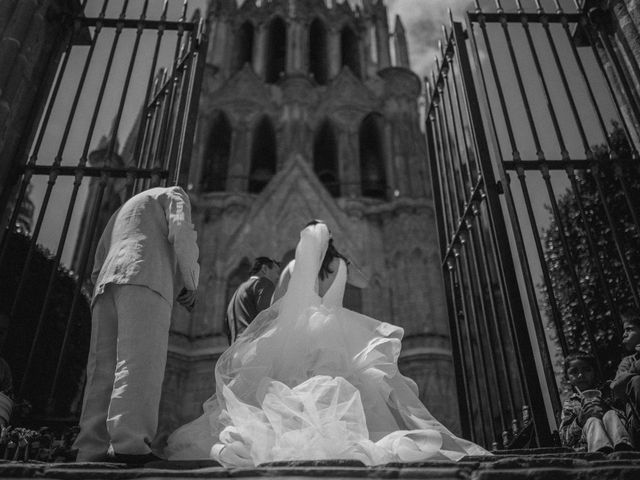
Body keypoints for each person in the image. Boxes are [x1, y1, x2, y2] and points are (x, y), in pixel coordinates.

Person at [165, 220, 488, 465]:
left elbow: (279, 303)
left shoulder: (293, 267)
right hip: (336, 328)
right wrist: (342, 258)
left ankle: (296, 439)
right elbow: (363, 279)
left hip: (305, 327)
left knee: (294, 386)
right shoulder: (342, 266)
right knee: (338, 382)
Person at [73, 186, 200, 464]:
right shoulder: (174, 194)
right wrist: (191, 283)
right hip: (146, 278)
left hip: (107, 284)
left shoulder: (125, 208)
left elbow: (99, 254)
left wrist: (100, 285)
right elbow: (181, 233)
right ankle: (130, 445)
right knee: (140, 362)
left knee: (102, 370)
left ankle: (88, 448)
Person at [559, 352, 632, 452]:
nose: (580, 375)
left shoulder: (609, 392)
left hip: (618, 438)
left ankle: (624, 447)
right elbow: (564, 440)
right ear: (568, 378)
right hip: (586, 446)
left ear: (594, 372)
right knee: (592, 421)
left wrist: (606, 408)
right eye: (574, 372)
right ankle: (601, 451)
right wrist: (580, 421)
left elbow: (628, 419)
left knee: (610, 414)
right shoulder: (570, 404)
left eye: (587, 370)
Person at [224, 257, 281, 344]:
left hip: (235, 351)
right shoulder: (263, 283)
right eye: (277, 272)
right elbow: (267, 317)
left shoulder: (237, 292)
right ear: (265, 269)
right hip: (253, 348)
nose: (278, 277)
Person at [611, 311, 640, 447]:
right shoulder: (628, 361)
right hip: (636, 420)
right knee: (636, 382)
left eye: (629, 329)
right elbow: (616, 387)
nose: (624, 335)